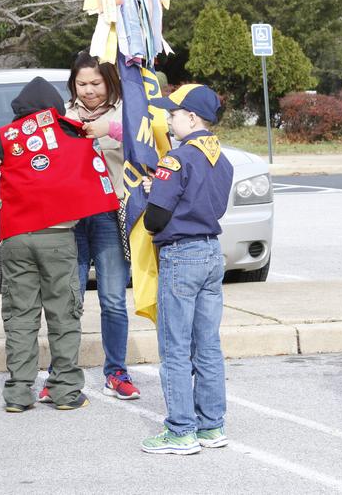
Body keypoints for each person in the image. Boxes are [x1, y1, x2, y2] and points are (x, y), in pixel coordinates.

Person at [0, 77, 118, 412]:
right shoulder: (69, 128)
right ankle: (65, 391)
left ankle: (18, 393)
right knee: (63, 313)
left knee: (20, 314)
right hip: (58, 236)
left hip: (15, 237)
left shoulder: (6, 136)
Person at [139, 84, 234, 456]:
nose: (168, 119)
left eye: (173, 114)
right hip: (211, 251)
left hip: (181, 254)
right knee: (207, 344)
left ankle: (180, 430)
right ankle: (212, 426)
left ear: (192, 118)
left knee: (176, 346)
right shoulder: (221, 159)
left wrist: (151, 196)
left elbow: (156, 218)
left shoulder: (177, 159)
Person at [62, 52, 140, 402]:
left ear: (110, 81)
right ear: (73, 84)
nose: (90, 90)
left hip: (111, 216)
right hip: (73, 218)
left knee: (112, 300)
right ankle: (62, 374)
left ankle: (117, 372)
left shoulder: (126, 113)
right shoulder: (63, 116)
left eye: (96, 83)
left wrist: (108, 129)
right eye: (82, 84)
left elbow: (148, 143)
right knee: (69, 299)